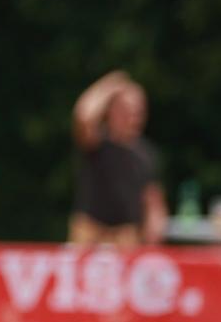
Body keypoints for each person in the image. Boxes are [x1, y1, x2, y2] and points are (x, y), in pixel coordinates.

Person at [69, 70, 166, 246]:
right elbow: (83, 115)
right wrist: (111, 84)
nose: (134, 117)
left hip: (126, 237)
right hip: (90, 233)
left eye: (138, 111)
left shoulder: (145, 153)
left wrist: (152, 241)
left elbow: (153, 202)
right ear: (111, 110)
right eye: (127, 110)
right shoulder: (97, 142)